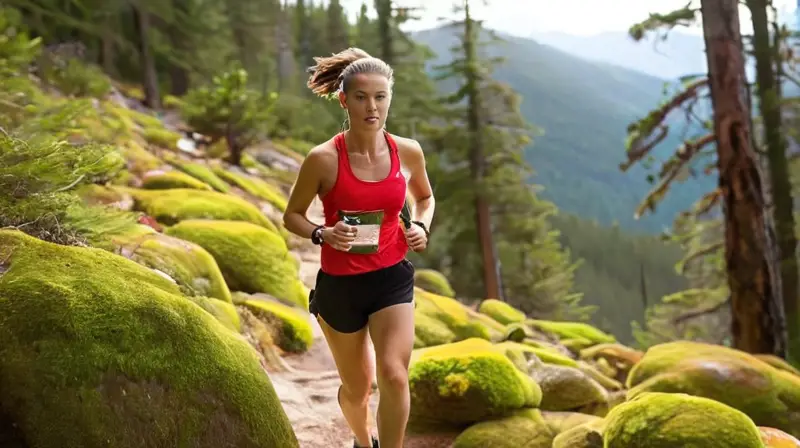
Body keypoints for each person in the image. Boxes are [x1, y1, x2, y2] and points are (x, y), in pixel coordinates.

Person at [282, 47, 435, 448]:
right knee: (358, 388)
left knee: (395, 374)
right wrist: (322, 233)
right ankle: (362, 442)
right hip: (341, 286)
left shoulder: (408, 151)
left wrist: (419, 225)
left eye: (381, 97)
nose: (373, 106)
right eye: (363, 97)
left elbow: (425, 198)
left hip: (391, 277)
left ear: (389, 99)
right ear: (344, 100)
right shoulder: (323, 159)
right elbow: (292, 215)